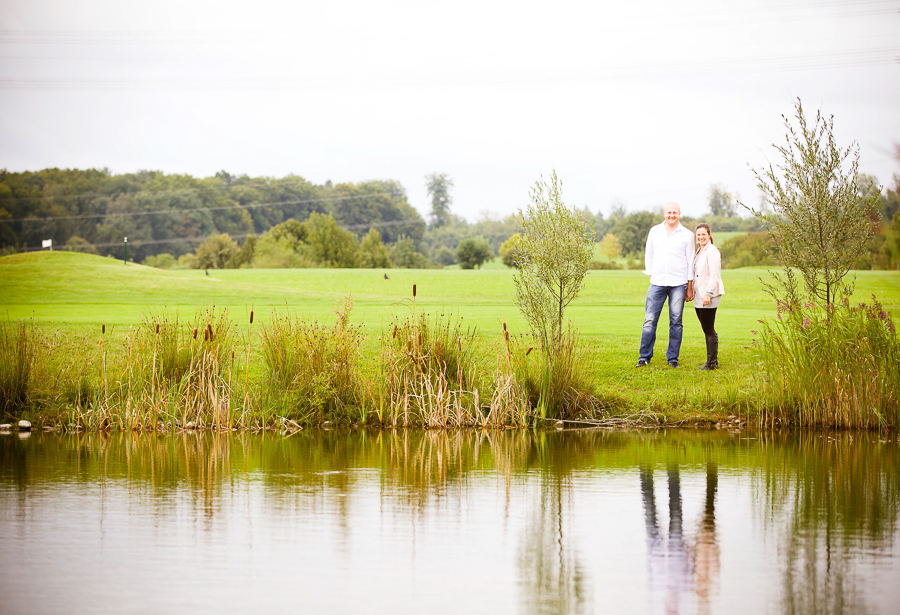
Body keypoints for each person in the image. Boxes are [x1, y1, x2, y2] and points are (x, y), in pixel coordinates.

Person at [637, 202, 694, 368]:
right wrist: (651, 274)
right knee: (649, 321)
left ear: (679, 213)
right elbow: (649, 253)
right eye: (669, 212)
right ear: (664, 213)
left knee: (676, 322)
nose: (672, 215)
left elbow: (690, 260)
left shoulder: (687, 234)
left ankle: (672, 358)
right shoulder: (655, 231)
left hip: (679, 283)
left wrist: (689, 286)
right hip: (657, 283)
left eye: (675, 212)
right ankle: (644, 357)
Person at [692, 223, 724, 370]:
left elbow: (714, 274)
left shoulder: (712, 250)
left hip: (708, 295)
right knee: (706, 328)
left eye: (703, 234)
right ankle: (713, 361)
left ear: (709, 235)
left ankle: (711, 363)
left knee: (709, 329)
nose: (700, 237)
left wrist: (708, 294)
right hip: (699, 295)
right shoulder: (700, 250)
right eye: (698, 235)